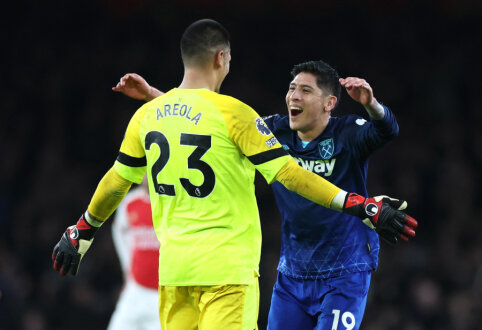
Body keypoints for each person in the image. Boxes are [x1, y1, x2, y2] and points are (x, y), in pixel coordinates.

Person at [52, 19, 417, 330]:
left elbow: (118, 179)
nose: (294, 95)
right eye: (293, 88)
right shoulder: (237, 115)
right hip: (227, 273)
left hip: (175, 273)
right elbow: (288, 173)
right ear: (221, 58)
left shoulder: (148, 116)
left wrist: (81, 230)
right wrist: (362, 206)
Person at [108, 176, 161, 330]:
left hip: (162, 294)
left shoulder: (171, 204)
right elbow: (118, 230)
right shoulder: (130, 202)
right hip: (135, 289)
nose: (147, 176)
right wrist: (127, 267)